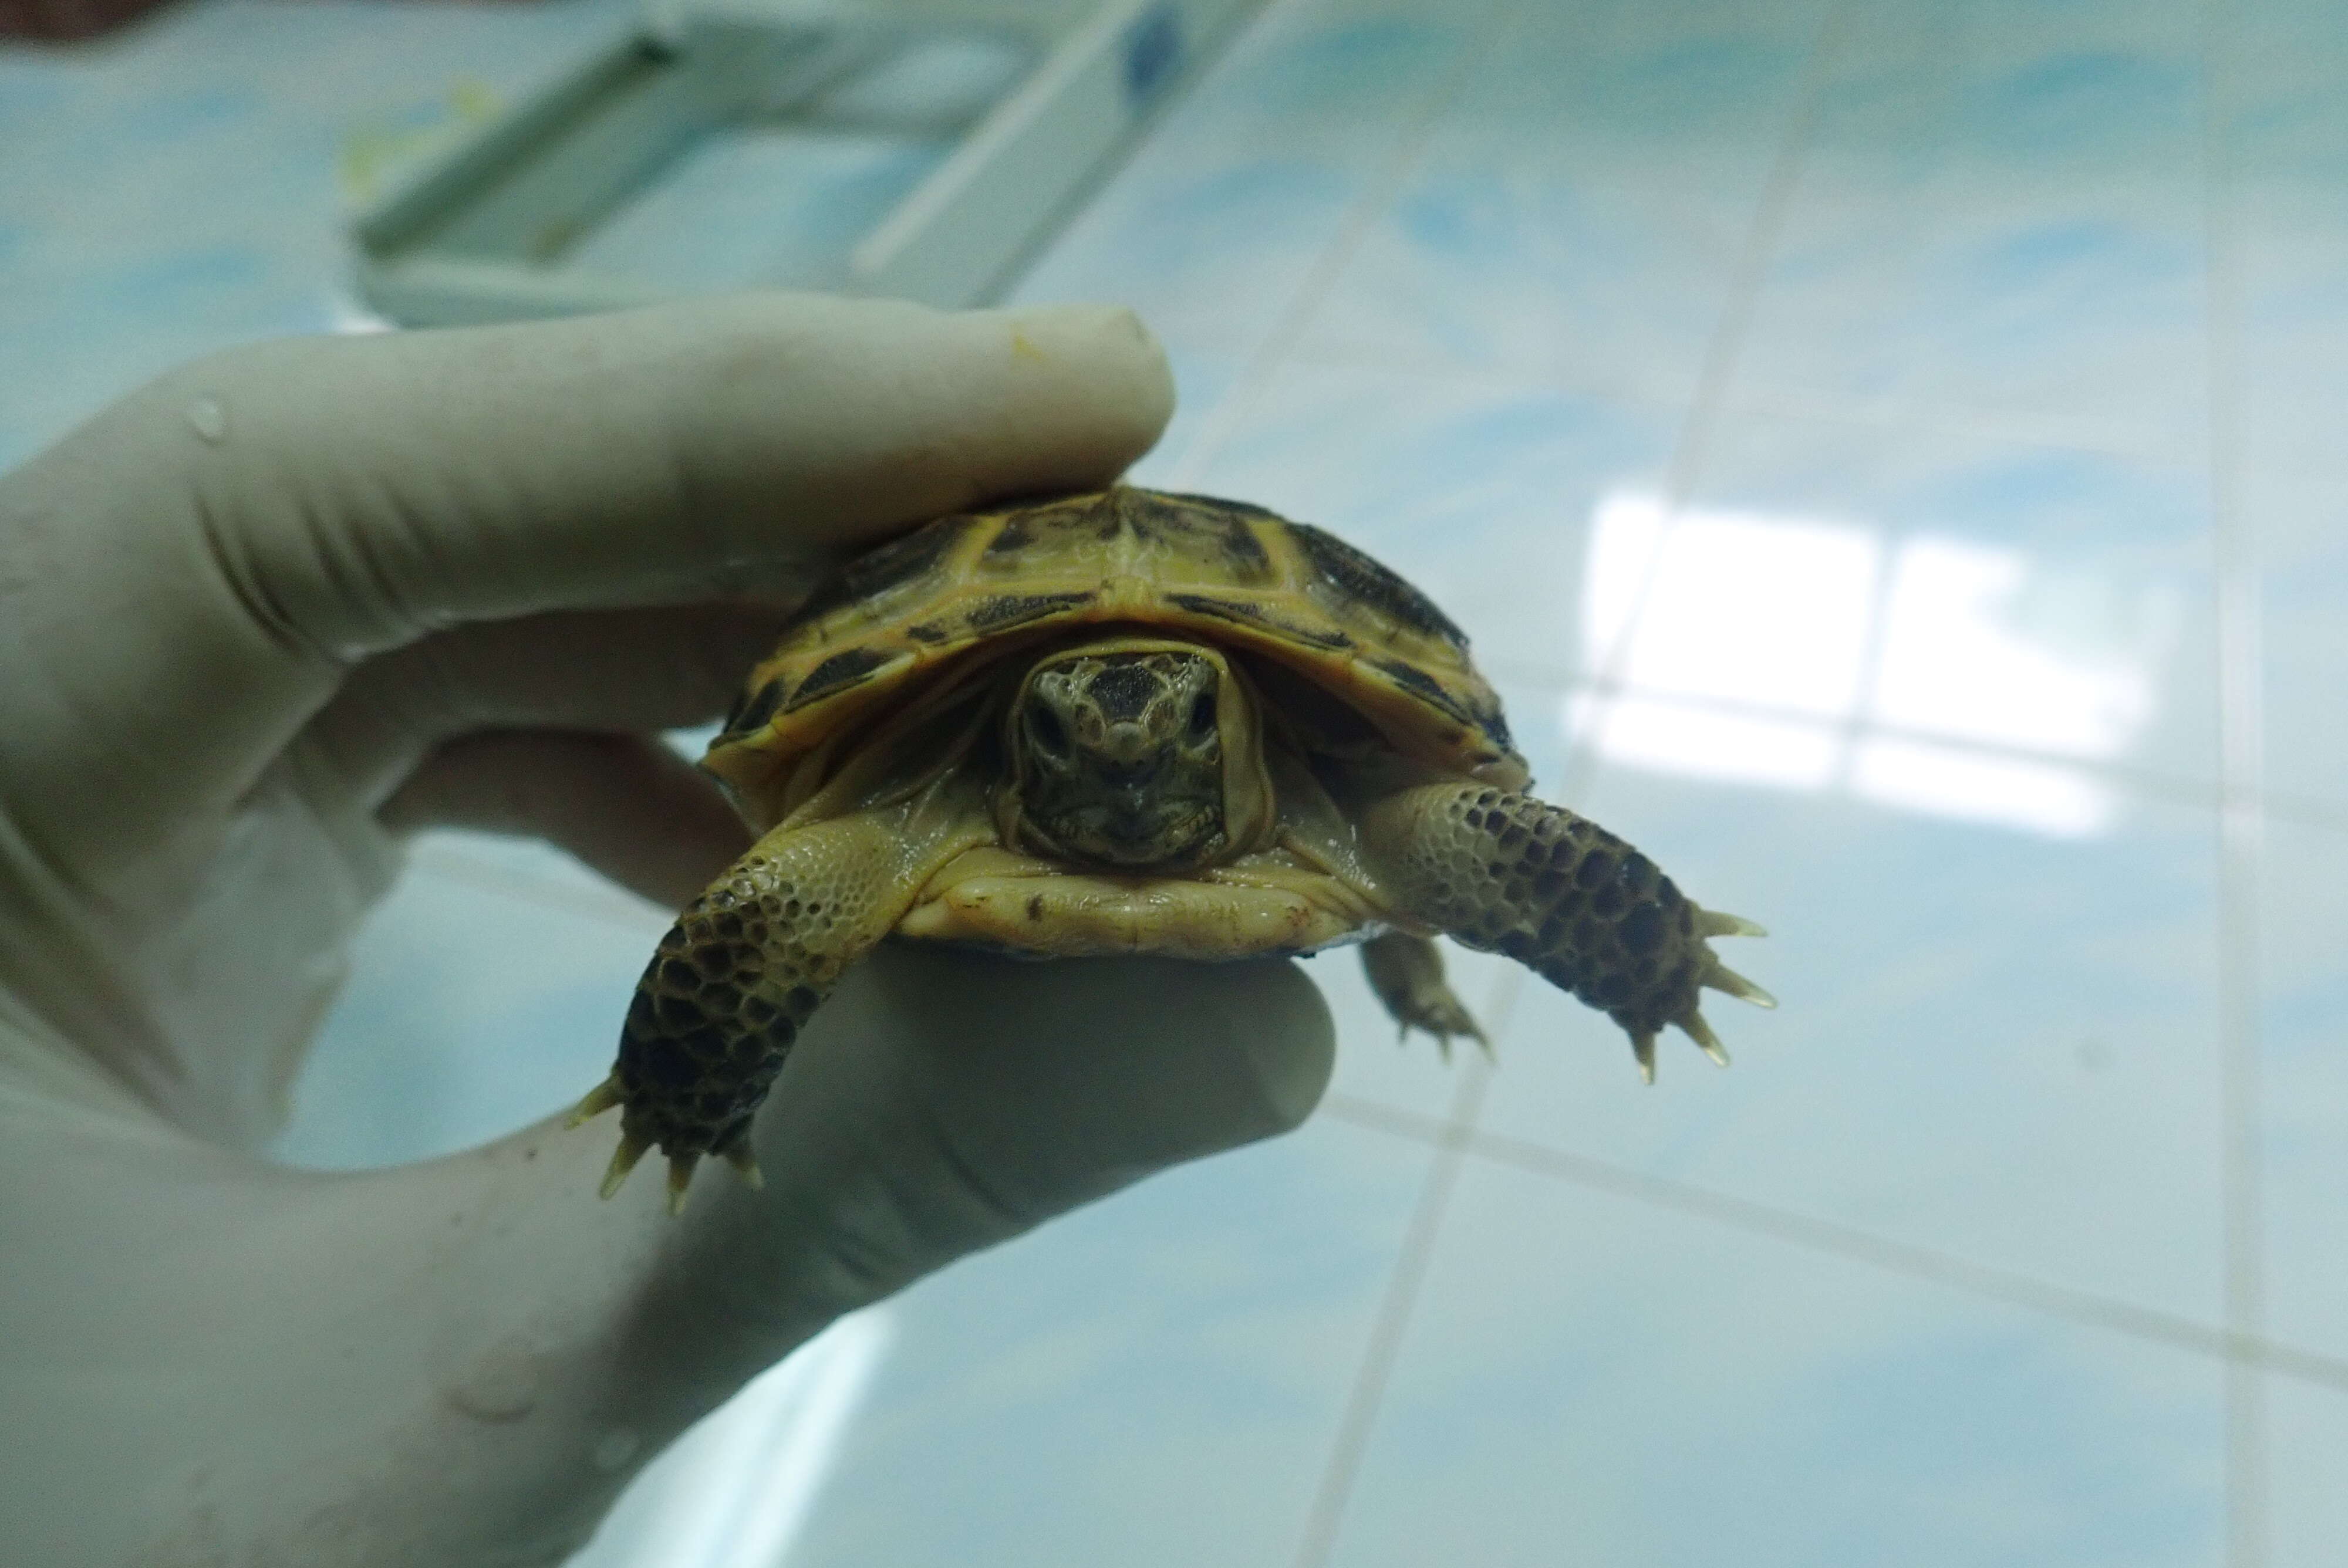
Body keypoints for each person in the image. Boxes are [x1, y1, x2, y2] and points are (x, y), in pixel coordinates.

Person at [0, 293, 1335, 1566]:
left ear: (1232, 725)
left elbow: (1443, 813)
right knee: (760, 912)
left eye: (1176, 734)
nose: (1118, 766)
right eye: (1062, 735)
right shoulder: (895, 821)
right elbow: (761, 905)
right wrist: (685, 1098)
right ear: (1020, 728)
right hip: (946, 780)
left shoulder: (1341, 788)